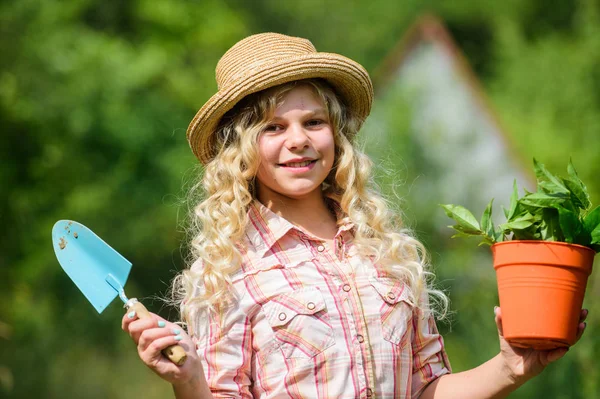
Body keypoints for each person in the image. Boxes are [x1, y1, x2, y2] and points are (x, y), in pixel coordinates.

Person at [122, 33, 588, 399]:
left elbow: (426, 390)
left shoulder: (384, 250)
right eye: (273, 128)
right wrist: (187, 381)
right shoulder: (226, 272)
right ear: (241, 151)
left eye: (313, 122)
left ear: (336, 134)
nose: (298, 140)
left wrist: (511, 366)